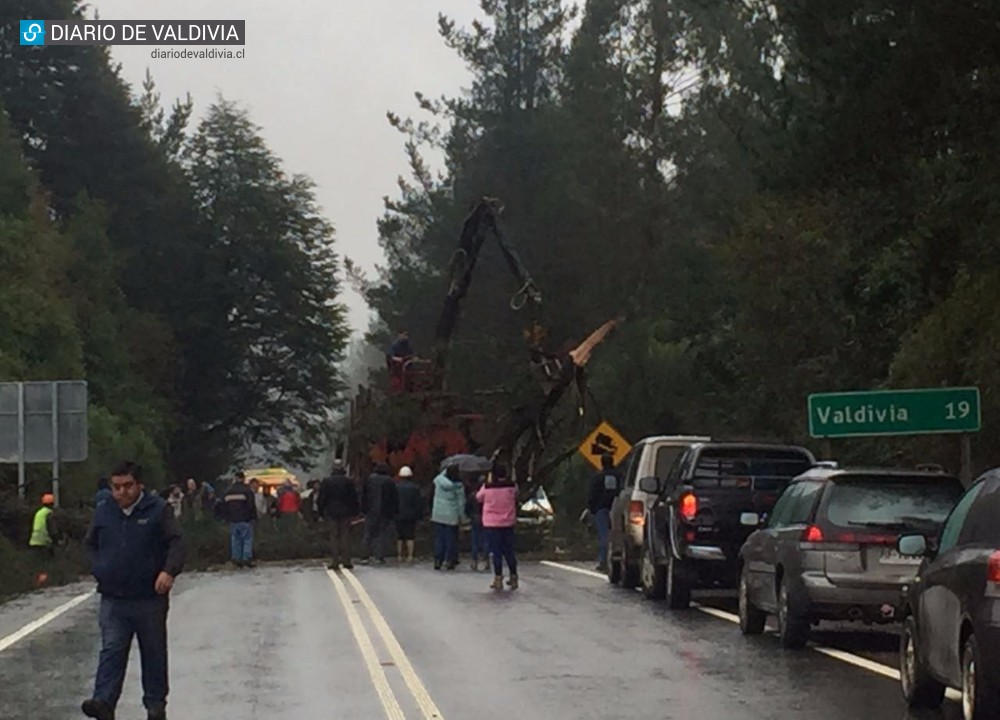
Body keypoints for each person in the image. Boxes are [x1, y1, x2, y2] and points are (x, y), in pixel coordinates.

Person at [81, 461, 185, 720]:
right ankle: (103, 702)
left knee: (153, 652)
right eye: (116, 487)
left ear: (139, 485)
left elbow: (176, 543)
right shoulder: (104, 511)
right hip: (113, 598)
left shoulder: (158, 510)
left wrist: (168, 571)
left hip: (149, 597)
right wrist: (99, 568)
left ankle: (155, 705)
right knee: (112, 649)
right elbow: (90, 544)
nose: (121, 492)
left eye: (127, 486)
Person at [477, 464, 518, 590]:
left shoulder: (487, 487)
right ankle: (513, 576)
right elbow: (516, 496)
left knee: (496, 552)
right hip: (508, 522)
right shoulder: (511, 487)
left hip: (492, 523)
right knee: (509, 551)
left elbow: (478, 498)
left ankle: (498, 578)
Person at [317, 460, 360, 570]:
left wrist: (321, 512)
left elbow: (321, 499)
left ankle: (335, 561)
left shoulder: (327, 481)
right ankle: (346, 561)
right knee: (345, 536)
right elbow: (353, 498)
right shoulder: (348, 482)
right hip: (346, 512)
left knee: (334, 537)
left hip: (331, 512)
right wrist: (355, 512)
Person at [360, 463, 399, 564]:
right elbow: (394, 497)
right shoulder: (389, 481)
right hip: (384, 511)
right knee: (381, 534)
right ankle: (379, 556)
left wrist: (363, 509)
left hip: (370, 510)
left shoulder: (369, 479)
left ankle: (364, 556)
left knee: (368, 533)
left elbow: (364, 495)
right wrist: (393, 511)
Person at [588, 453, 620, 572]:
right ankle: (614, 558)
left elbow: (593, 494)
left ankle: (604, 560)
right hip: (618, 508)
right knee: (618, 534)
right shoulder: (619, 476)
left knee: (604, 535)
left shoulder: (598, 477)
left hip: (602, 508)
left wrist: (592, 509)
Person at [431, 465, 466, 570]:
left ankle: (438, 560)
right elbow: (461, 503)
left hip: (438, 513)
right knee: (451, 538)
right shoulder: (458, 486)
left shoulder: (438, 481)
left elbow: (440, 475)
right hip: (451, 514)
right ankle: (449, 560)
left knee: (439, 537)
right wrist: (462, 517)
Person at [221, 471, 258, 568]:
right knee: (247, 539)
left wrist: (226, 518)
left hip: (233, 520)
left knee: (235, 539)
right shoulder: (247, 490)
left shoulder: (228, 491)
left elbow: (223, 506)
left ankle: (236, 559)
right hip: (245, 519)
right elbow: (251, 506)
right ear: (243, 478)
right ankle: (246, 559)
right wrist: (253, 517)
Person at [394, 466, 423, 563]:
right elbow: (419, 502)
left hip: (398, 513)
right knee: (410, 535)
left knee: (400, 536)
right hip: (411, 515)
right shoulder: (415, 488)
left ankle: (399, 556)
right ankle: (410, 556)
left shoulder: (396, 487)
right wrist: (419, 514)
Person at [466, 476, 488, 571]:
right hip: (486, 519)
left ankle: (474, 561)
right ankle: (486, 560)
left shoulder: (472, 495)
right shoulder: (487, 495)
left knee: (474, 540)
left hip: (475, 519)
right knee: (485, 540)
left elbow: (467, 508)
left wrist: (470, 516)